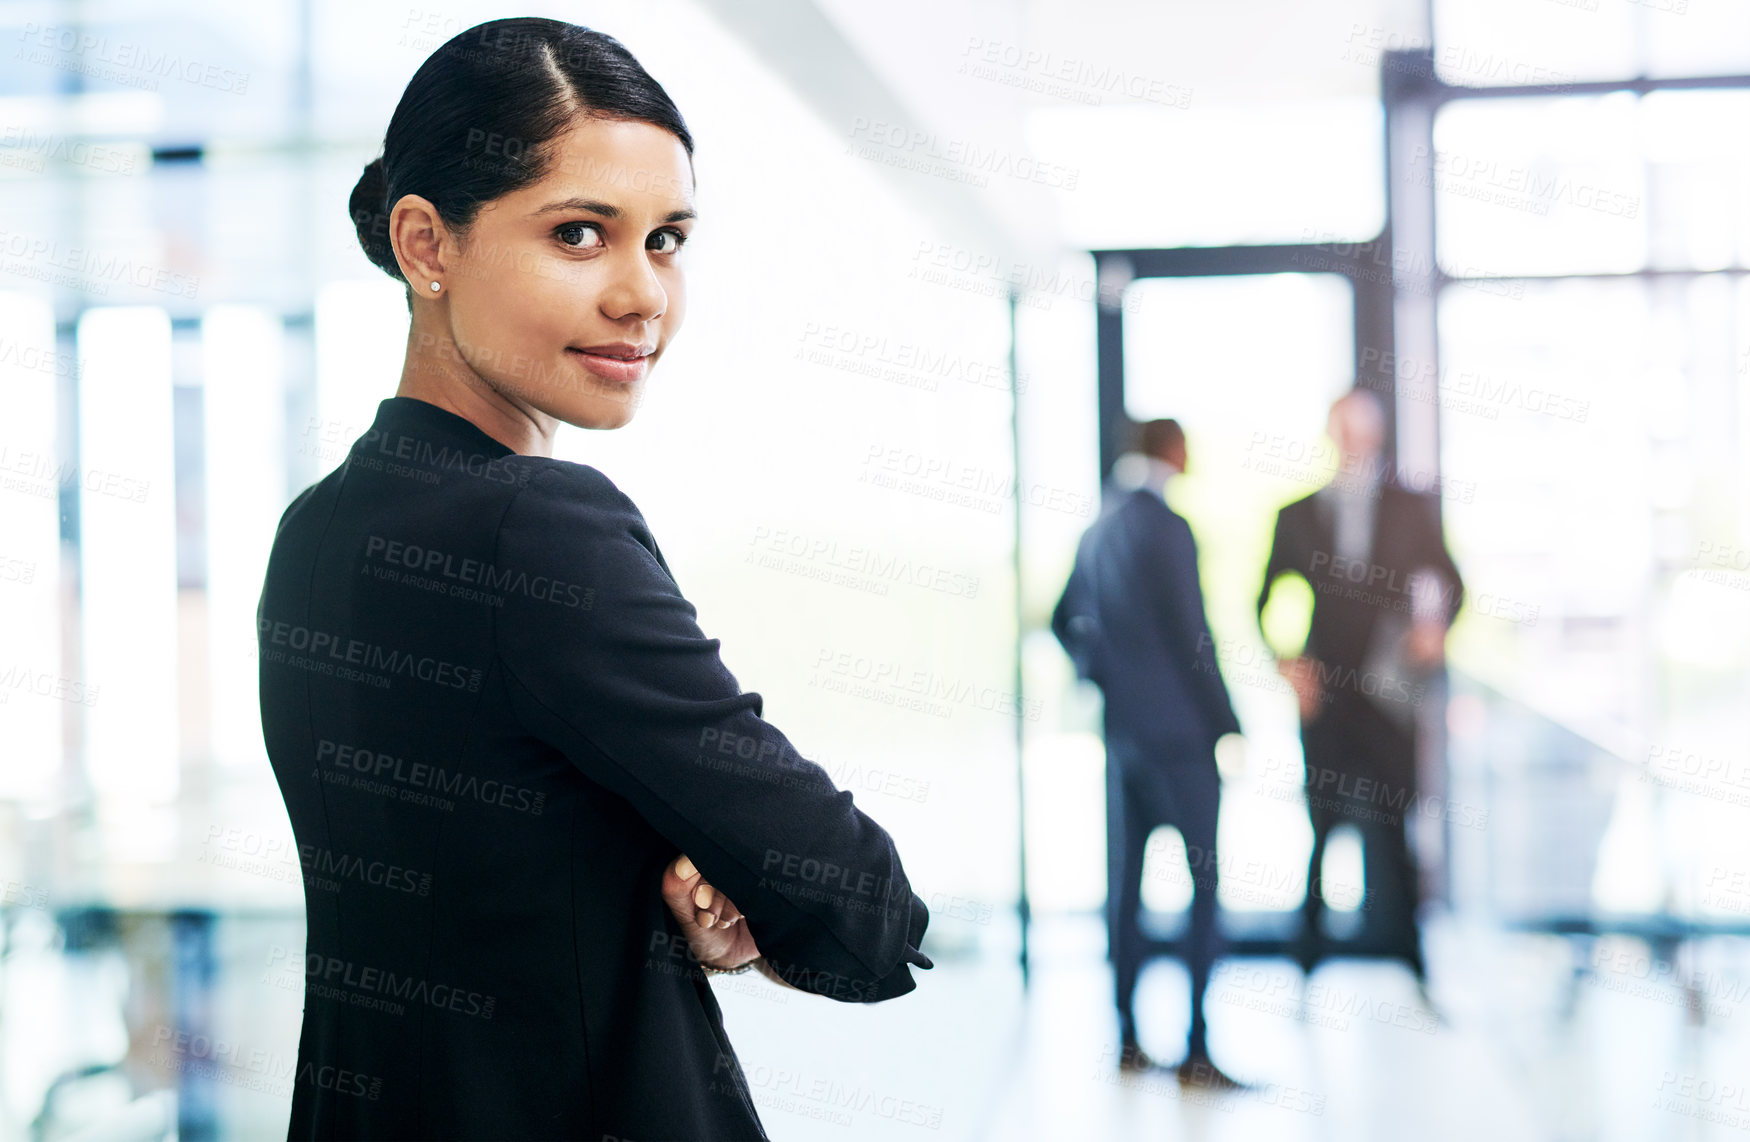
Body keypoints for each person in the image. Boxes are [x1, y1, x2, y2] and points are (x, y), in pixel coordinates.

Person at [257, 19, 930, 1140]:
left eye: (666, 239)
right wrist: (754, 896)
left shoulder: (316, 527)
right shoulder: (536, 526)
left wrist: (672, 880)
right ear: (427, 244)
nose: (643, 294)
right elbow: (861, 905)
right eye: (580, 233)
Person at [1051, 418, 1245, 1090]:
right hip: (1182, 740)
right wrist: (1227, 721)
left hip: (1124, 737)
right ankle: (1196, 1047)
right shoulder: (1169, 528)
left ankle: (1128, 1040)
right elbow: (1194, 636)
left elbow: (1061, 620)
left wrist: (1103, 676)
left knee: (1125, 891)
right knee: (1204, 888)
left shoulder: (1098, 527)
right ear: (1173, 451)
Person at [1256, 387, 1463, 985]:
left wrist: (1434, 629)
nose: (1352, 441)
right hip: (1326, 697)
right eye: (1341, 429)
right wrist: (1286, 662)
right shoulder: (1296, 513)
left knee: (1397, 825)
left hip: (1388, 694)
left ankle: (1410, 954)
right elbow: (1261, 600)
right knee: (1320, 829)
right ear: (1330, 434)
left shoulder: (1409, 507)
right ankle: (1307, 958)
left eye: (1361, 429)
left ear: (1376, 435)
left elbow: (1452, 584)